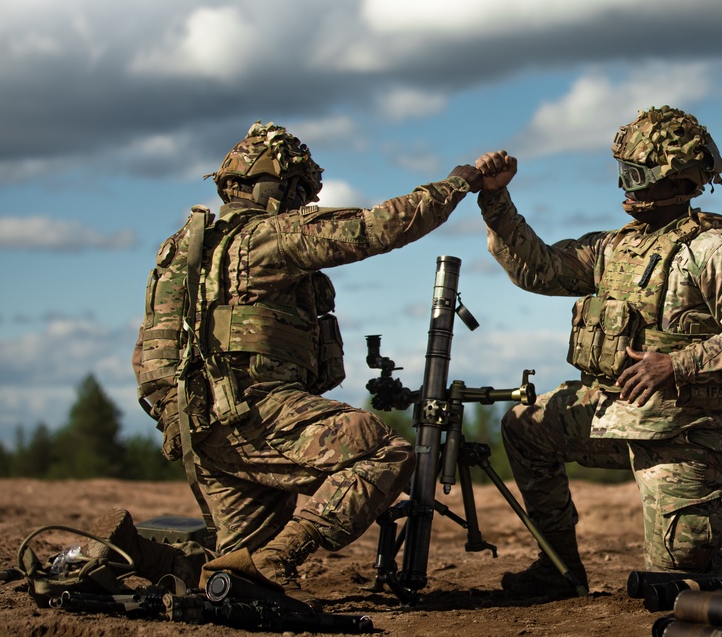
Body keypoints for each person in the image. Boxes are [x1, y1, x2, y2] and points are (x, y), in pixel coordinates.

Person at [113, 120, 484, 605]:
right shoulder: (269, 237)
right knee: (386, 453)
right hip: (255, 413)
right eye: (301, 193)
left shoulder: (182, 250)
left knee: (236, 579)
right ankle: (283, 555)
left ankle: (143, 557)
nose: (304, 204)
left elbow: (151, 349)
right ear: (280, 188)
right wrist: (458, 183)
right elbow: (376, 228)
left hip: (196, 427)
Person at [473, 106, 722, 597]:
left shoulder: (718, 248)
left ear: (675, 178)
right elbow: (540, 269)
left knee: (675, 580)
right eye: (622, 172)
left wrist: (677, 364)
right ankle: (557, 568)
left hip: (683, 430)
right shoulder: (611, 248)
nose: (626, 186)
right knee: (524, 427)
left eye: (636, 174)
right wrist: (496, 202)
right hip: (613, 410)